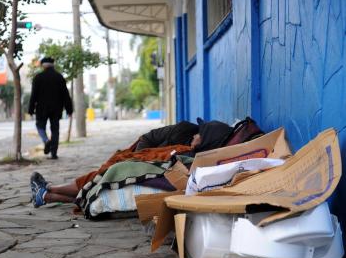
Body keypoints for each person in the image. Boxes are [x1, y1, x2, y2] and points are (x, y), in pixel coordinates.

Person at [30, 119, 233, 208]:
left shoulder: (192, 154)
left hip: (146, 166)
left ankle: (47, 193)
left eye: (201, 136)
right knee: (107, 171)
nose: (197, 135)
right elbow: (148, 138)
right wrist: (139, 157)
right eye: (198, 133)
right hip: (138, 153)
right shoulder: (183, 129)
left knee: (101, 178)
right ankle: (48, 191)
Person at [28, 57, 73, 159]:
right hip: (56, 109)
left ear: (43, 65)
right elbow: (66, 95)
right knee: (55, 130)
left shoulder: (38, 77)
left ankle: (46, 140)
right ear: (53, 64)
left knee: (40, 126)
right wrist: (69, 110)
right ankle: (54, 153)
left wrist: (31, 109)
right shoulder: (59, 77)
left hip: (41, 109)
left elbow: (33, 95)